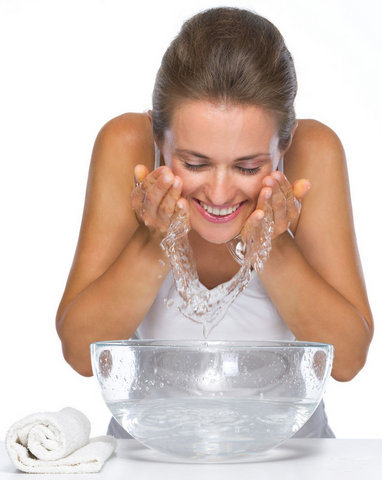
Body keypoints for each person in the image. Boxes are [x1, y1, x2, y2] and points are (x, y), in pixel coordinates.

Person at [56, 7, 373, 438]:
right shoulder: (126, 145)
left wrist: (271, 244)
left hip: (290, 459)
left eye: (248, 167)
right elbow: (79, 351)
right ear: (157, 136)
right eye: (194, 163)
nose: (220, 194)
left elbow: (349, 360)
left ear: (286, 142)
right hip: (148, 454)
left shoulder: (313, 155)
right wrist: (156, 240)